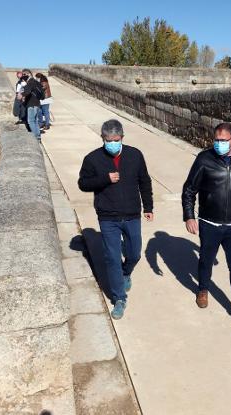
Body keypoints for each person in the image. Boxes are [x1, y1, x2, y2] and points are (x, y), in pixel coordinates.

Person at [182, 122, 231, 332]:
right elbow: (189, 190)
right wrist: (189, 216)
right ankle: (203, 289)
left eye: (223, 141)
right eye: (216, 140)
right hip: (209, 223)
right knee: (206, 260)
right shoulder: (204, 159)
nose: (218, 144)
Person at [78, 119, 154, 319]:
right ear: (102, 138)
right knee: (112, 258)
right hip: (107, 217)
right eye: (108, 139)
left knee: (135, 253)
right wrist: (104, 179)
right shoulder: (92, 159)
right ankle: (119, 298)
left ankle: (126, 272)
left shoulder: (135, 155)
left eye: (116, 139)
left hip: (131, 215)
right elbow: (83, 184)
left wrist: (148, 207)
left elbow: (144, 181)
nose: (112, 143)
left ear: (122, 138)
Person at [20, 69, 43, 141]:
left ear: (29, 74)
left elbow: (27, 91)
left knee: (31, 121)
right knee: (35, 121)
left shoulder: (30, 82)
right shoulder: (36, 82)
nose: (23, 76)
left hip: (31, 104)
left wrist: (21, 95)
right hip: (37, 104)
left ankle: (35, 137)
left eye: (24, 74)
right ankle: (38, 137)